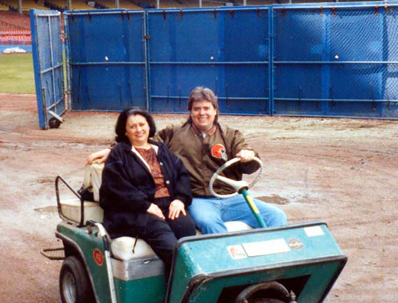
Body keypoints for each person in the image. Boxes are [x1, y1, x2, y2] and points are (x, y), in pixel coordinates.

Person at [89, 87, 287, 234]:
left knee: (277, 216)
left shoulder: (230, 135)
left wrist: (248, 155)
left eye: (207, 108)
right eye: (197, 109)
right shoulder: (174, 133)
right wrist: (112, 150)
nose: (202, 113)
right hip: (199, 200)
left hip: (230, 198)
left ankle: (274, 267)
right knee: (210, 224)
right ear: (190, 111)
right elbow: (140, 142)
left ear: (215, 110)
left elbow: (250, 162)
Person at [99, 107, 196, 276]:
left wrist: (179, 199)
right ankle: (184, 287)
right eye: (133, 126)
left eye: (142, 124)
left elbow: (182, 174)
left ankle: (174, 286)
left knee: (186, 227)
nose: (139, 130)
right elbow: (115, 187)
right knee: (168, 243)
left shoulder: (161, 149)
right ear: (125, 131)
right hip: (134, 211)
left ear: (149, 126)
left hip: (167, 204)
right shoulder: (119, 153)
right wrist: (145, 205)